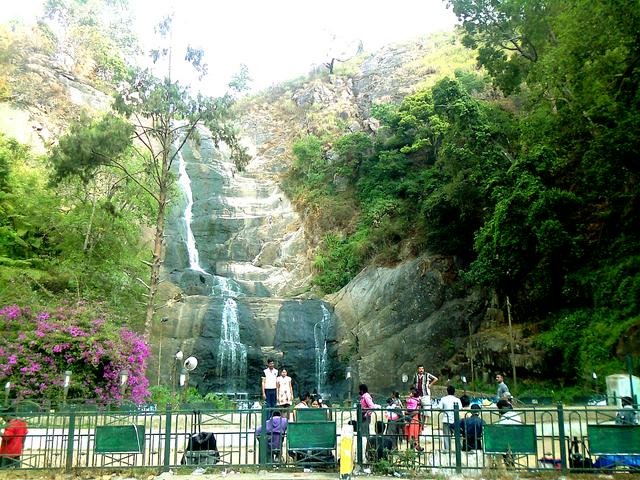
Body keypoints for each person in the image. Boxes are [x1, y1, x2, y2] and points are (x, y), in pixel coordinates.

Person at [440, 385, 462, 451]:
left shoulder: (443, 399)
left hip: (446, 420)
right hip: (455, 420)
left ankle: (447, 450)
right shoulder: (457, 400)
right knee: (458, 436)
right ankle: (459, 449)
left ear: (447, 391)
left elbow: (440, 408)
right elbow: (460, 408)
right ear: (454, 392)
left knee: (446, 436)